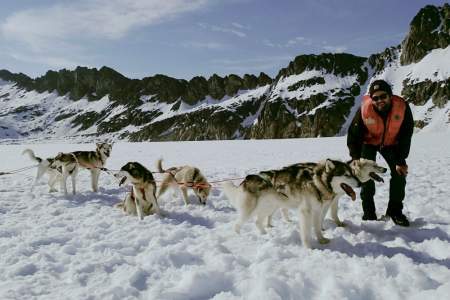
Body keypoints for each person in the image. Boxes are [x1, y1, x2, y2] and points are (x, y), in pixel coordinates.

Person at [347, 79, 414, 226]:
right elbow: (353, 134)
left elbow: (406, 135)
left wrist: (400, 160)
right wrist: (355, 158)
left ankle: (395, 212)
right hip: (369, 143)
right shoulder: (365, 110)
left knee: (399, 173)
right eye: (375, 98)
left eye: (383, 96)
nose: (379, 101)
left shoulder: (402, 108)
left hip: (391, 144)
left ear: (390, 95)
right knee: (365, 175)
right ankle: (369, 213)